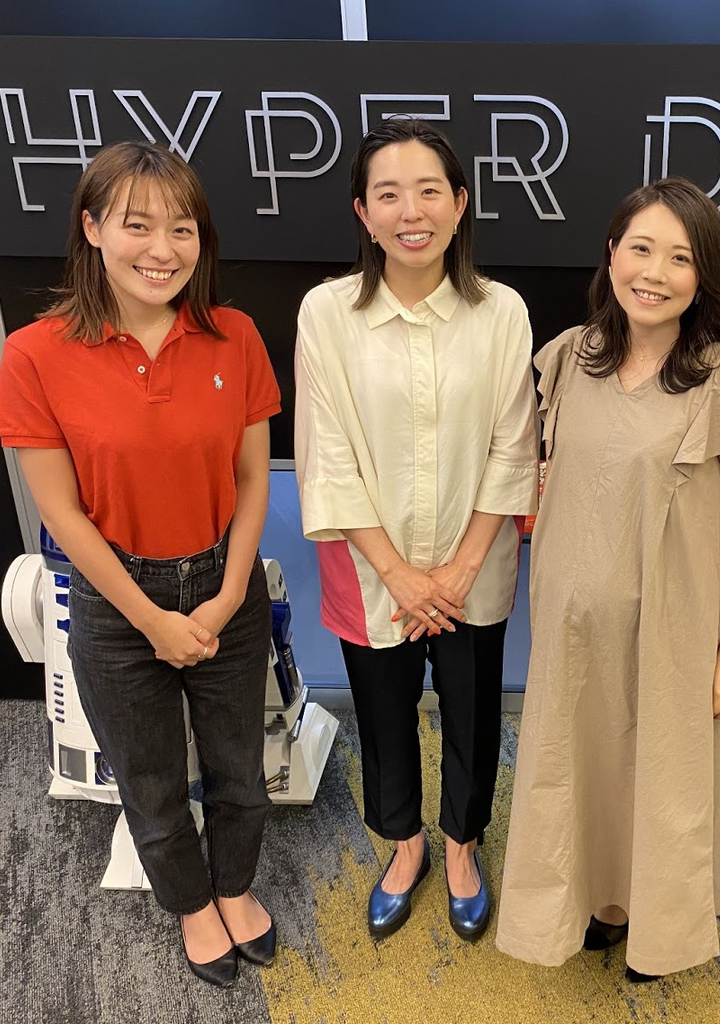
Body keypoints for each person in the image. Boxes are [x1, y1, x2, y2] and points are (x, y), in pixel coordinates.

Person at [0, 141, 281, 987]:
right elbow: (61, 513)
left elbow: (253, 478)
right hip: (117, 599)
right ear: (91, 228)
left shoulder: (234, 336)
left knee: (239, 769)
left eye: (182, 229)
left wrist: (228, 594)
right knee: (150, 779)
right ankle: (191, 904)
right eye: (138, 226)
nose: (163, 250)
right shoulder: (35, 353)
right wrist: (151, 618)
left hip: (225, 584)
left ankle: (234, 887)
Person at [496, 177, 720, 982]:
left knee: (665, 772)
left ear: (705, 275)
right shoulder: (567, 358)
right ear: (612, 254)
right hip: (575, 628)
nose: (655, 272)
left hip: (678, 627)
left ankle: (660, 924)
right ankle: (602, 900)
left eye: (680, 258)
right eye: (641, 249)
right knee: (581, 762)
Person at [294, 118, 537, 942]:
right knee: (384, 715)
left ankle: (462, 846)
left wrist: (459, 570)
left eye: (429, 190)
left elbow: (514, 446)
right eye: (389, 194)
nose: (411, 211)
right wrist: (399, 573)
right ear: (363, 214)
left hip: (476, 568)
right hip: (373, 574)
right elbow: (327, 452)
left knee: (472, 713)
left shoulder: (500, 312)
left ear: (460, 204)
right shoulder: (327, 314)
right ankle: (405, 847)